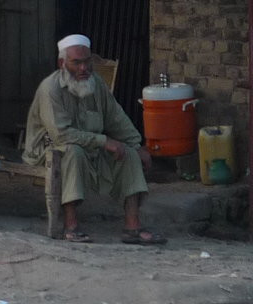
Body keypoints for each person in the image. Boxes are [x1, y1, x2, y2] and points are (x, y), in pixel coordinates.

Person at [22, 34, 166, 245]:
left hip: (91, 145)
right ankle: (70, 225)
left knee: (129, 154)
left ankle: (133, 227)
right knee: (72, 151)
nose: (84, 68)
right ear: (62, 63)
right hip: (49, 148)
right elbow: (61, 135)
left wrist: (136, 146)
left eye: (87, 61)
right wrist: (103, 141)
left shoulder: (96, 83)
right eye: (76, 62)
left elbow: (116, 118)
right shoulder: (50, 89)